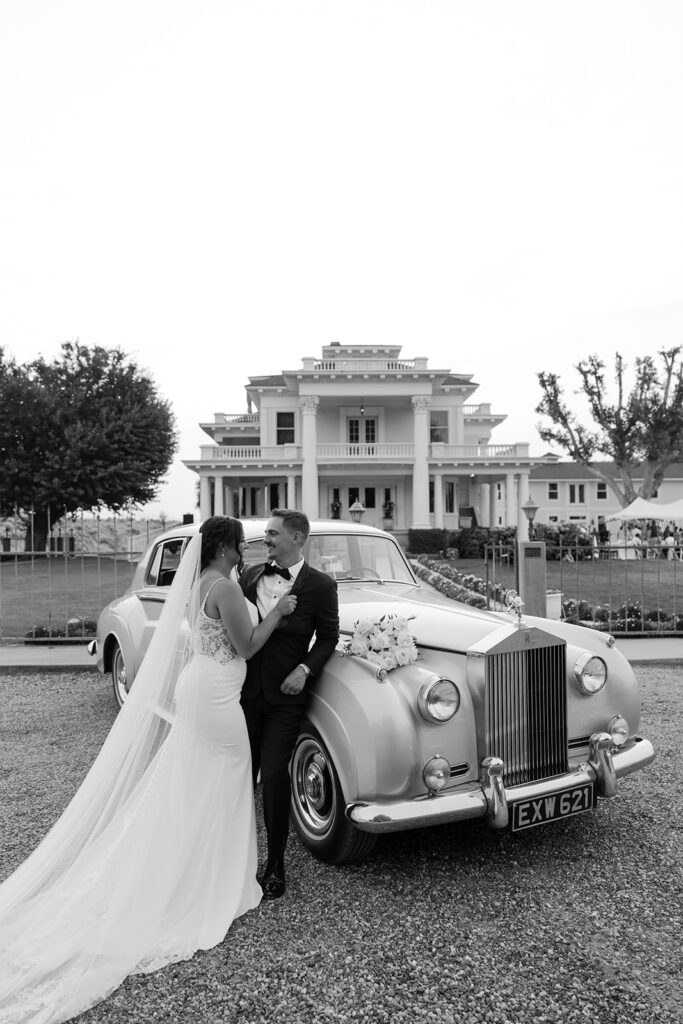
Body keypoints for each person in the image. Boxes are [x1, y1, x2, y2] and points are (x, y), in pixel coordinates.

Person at [0, 516, 296, 1024]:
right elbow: (247, 644)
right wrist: (281, 613)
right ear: (224, 547)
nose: (245, 551)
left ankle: (200, 861)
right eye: (239, 545)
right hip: (215, 696)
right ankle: (212, 877)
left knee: (199, 780)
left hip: (206, 687)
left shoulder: (203, 582)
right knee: (228, 776)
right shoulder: (223, 586)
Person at [240, 509, 339, 901]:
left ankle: (275, 862)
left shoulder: (321, 586)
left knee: (277, 776)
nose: (266, 540)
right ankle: (236, 859)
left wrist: (305, 668)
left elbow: (329, 638)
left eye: (273, 534)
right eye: (265, 534)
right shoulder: (248, 577)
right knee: (240, 774)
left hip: (285, 697)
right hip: (242, 694)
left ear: (298, 538)